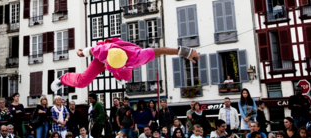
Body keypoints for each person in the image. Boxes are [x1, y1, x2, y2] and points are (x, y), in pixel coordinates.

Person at [51, 38, 200, 92]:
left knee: (126, 77)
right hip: (101, 60)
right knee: (83, 82)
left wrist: (187, 52)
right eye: (112, 67)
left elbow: (162, 50)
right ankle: (62, 79)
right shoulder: (102, 51)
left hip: (125, 64)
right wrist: (81, 53)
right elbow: (89, 51)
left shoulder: (139, 57)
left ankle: (120, 76)